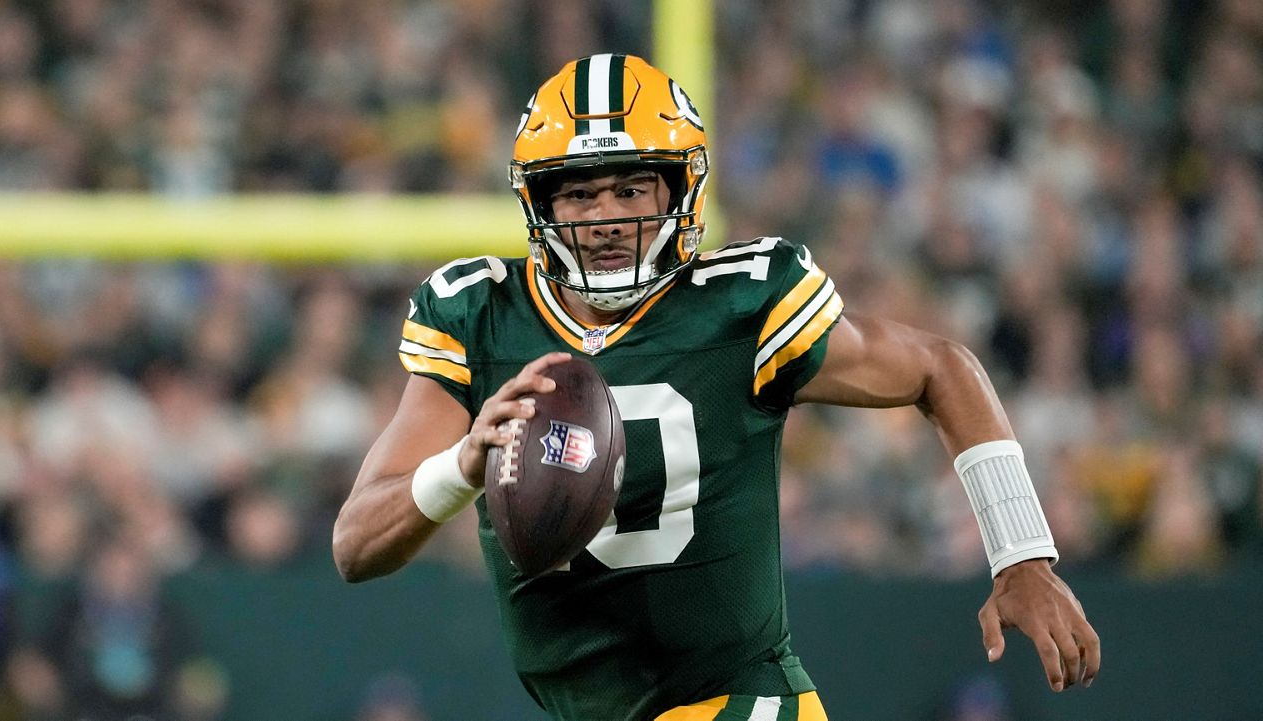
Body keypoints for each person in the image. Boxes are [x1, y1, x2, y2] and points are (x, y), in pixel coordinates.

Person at [333, 54, 1100, 721]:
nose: (606, 219)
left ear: (678, 193)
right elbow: (355, 545)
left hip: (744, 698)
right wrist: (463, 464)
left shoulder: (739, 307)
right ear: (540, 204)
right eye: (579, 194)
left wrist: (1022, 553)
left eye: (632, 190)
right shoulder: (480, 318)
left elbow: (942, 365)